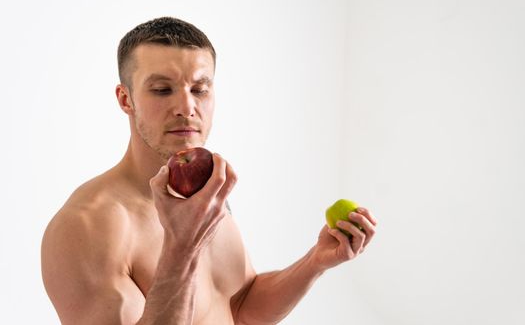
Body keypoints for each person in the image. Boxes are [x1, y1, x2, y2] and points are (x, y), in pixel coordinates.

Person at [41, 17, 377, 325]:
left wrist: (315, 261)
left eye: (200, 89)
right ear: (125, 99)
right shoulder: (89, 226)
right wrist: (182, 247)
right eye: (161, 90)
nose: (187, 108)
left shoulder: (204, 196)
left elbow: (242, 309)